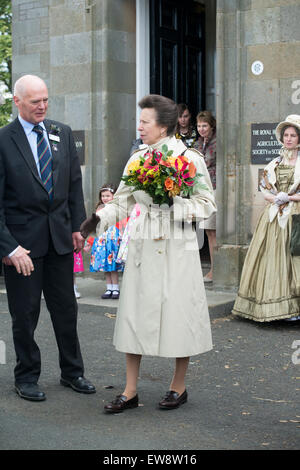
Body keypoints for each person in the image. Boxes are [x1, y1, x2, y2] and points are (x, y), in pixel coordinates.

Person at [82, 94, 216, 412]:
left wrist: (176, 204)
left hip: (176, 246)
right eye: (138, 121)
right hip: (143, 244)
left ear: (163, 126)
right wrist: (96, 219)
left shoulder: (190, 159)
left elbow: (208, 204)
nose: (139, 127)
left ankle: (178, 387)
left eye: (144, 122)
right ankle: (130, 390)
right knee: (133, 315)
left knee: (178, 315)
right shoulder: (138, 160)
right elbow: (123, 201)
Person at [0, 74, 95, 401]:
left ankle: (73, 372)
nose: (42, 106)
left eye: (45, 100)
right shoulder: (3, 140)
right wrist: (9, 247)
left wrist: (77, 227)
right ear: (17, 102)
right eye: (34, 101)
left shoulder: (61, 133)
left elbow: (73, 185)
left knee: (66, 310)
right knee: (25, 315)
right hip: (22, 247)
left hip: (59, 241)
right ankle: (26, 376)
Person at [232, 114, 300, 322]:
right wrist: (276, 199)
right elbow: (264, 189)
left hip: (296, 215)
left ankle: (295, 307)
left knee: (294, 259)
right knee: (272, 259)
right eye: (286, 135)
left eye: (293, 135)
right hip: (274, 217)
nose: (288, 139)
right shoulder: (274, 163)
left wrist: (289, 197)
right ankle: (275, 307)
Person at [88, 184, 126, 300]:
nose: (105, 198)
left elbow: (123, 223)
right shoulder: (99, 208)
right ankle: (109, 287)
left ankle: (115, 288)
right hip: (102, 240)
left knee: (113, 266)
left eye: (108, 196)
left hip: (113, 240)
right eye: (103, 196)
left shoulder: (119, 208)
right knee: (106, 266)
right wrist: (90, 241)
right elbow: (96, 227)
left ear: (114, 196)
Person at [193, 111, 217, 283]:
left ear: (211, 126)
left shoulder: (216, 142)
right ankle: (213, 269)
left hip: (216, 188)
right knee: (208, 230)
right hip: (202, 190)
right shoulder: (197, 143)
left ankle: (214, 270)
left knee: (213, 230)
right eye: (199, 125)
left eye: (204, 125)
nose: (201, 129)